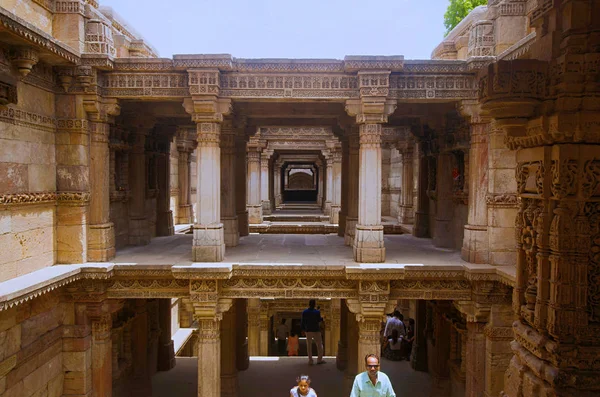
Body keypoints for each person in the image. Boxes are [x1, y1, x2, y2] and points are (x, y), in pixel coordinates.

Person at [301, 299, 325, 365]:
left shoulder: (304, 312)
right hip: (316, 330)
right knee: (319, 345)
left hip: (308, 330)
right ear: (314, 304)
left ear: (309, 304)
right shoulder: (317, 312)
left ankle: (310, 360)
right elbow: (319, 320)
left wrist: (303, 329)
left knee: (309, 345)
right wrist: (322, 317)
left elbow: (302, 322)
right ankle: (319, 360)